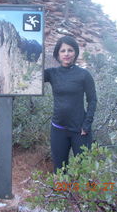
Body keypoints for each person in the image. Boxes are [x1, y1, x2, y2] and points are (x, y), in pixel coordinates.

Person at [44, 36, 97, 172]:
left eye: (70, 50)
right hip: (58, 129)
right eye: (63, 51)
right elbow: (30, 76)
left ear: (75, 53)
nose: (66, 54)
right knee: (60, 170)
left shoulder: (84, 74)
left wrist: (87, 125)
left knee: (84, 170)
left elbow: (92, 100)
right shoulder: (51, 73)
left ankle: (81, 194)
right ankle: (61, 192)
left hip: (80, 131)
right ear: (57, 54)